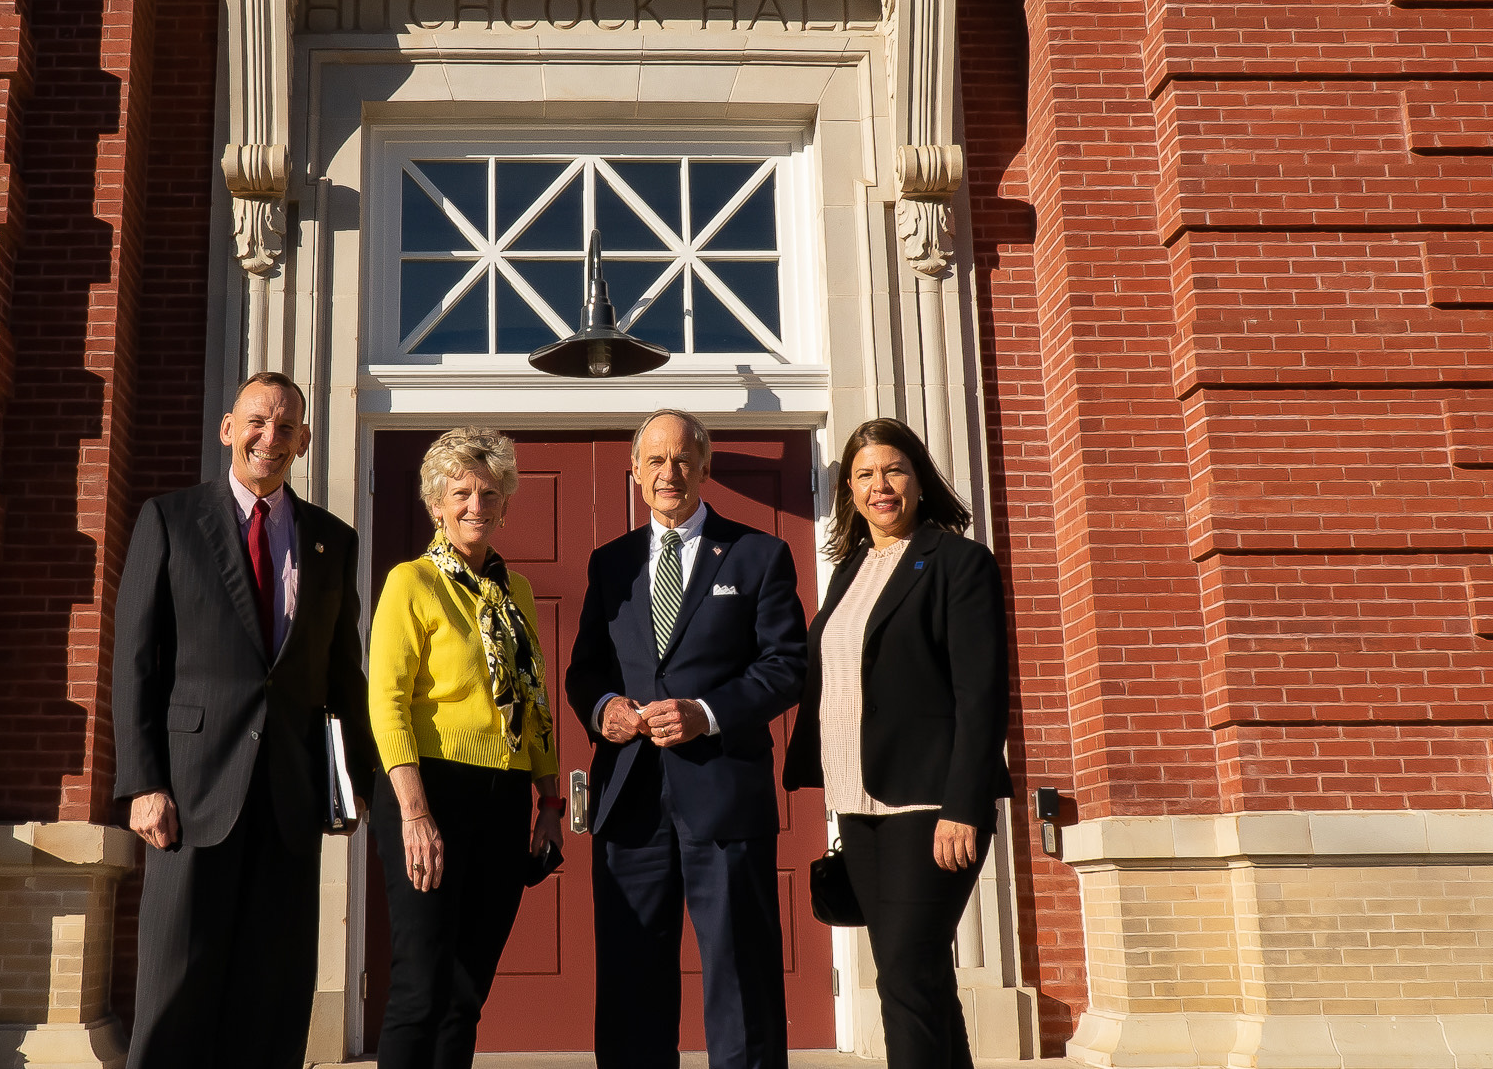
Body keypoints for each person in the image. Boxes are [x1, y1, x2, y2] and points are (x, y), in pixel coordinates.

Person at [111, 371, 377, 1069]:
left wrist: (354, 785)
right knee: (176, 989)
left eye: (286, 427)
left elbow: (341, 676)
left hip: (289, 800)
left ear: (304, 440)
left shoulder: (332, 541)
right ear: (228, 428)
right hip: (191, 795)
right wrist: (143, 782)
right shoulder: (169, 520)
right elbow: (136, 661)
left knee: (274, 994)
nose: (270, 437)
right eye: (258, 421)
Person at [566, 409, 807, 1069]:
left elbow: (787, 666)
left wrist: (707, 712)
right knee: (631, 978)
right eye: (655, 461)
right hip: (629, 800)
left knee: (741, 975)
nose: (668, 473)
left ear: (704, 467)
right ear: (635, 473)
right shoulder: (610, 563)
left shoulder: (758, 554)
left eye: (681, 459)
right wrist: (604, 710)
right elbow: (585, 671)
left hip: (724, 795)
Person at [783, 417, 1014, 1069]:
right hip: (859, 803)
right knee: (917, 975)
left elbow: (981, 695)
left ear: (919, 479)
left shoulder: (959, 562)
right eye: (863, 475)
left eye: (893, 470)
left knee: (907, 975)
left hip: (930, 803)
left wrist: (963, 806)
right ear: (848, 492)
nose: (879, 485)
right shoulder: (850, 570)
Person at [368, 427, 565, 1069]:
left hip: (504, 797)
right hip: (430, 792)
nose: (476, 505)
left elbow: (534, 702)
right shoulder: (411, 582)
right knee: (421, 987)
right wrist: (414, 814)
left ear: (505, 503)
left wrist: (548, 801)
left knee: (466, 992)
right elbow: (387, 703)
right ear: (436, 504)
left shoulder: (518, 593)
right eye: (461, 493)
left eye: (489, 492)